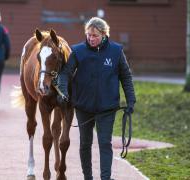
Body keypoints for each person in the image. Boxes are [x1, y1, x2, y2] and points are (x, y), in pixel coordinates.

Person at [57, 17, 136, 180]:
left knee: (104, 144)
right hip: (83, 107)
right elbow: (65, 74)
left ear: (104, 35)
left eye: (95, 36)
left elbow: (126, 76)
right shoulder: (78, 51)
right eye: (89, 35)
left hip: (107, 107)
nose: (91, 39)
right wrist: (63, 92)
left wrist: (131, 101)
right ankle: (88, 177)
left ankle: (105, 178)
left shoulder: (116, 51)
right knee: (85, 144)